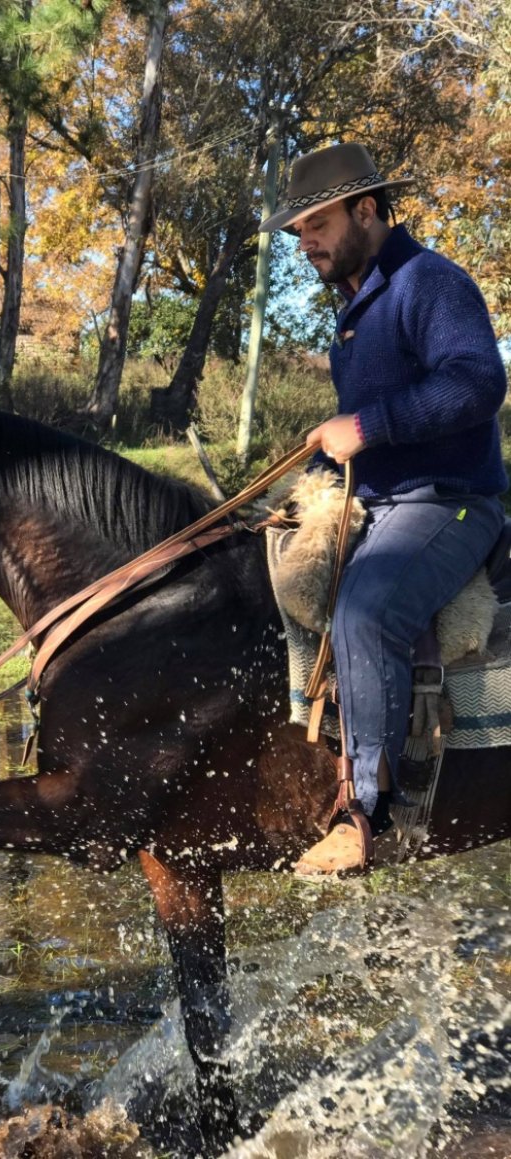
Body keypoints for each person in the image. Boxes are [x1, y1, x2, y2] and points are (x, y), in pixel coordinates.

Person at [260, 142, 508, 873]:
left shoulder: (428, 282)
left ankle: (365, 814)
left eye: (315, 224)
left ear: (366, 210)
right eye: (297, 232)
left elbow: (477, 385)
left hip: (452, 504)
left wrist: (364, 427)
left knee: (367, 612)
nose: (304, 244)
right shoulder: (359, 308)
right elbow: (368, 432)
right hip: (385, 501)